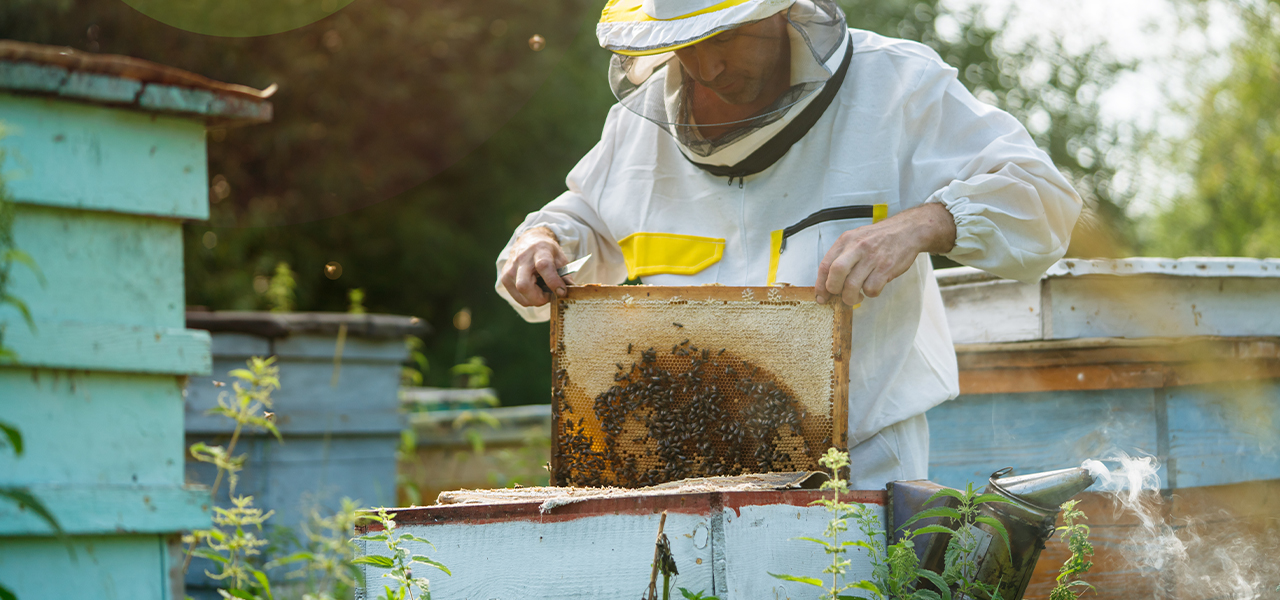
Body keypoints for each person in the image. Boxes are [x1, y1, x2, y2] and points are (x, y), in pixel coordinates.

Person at [495, 0, 1081, 488]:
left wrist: (923, 224)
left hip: (862, 464)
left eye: (723, 34)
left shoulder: (896, 84)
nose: (707, 66)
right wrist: (541, 241)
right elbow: (582, 217)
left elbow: (1044, 203)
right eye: (683, 42)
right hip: (680, 470)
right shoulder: (641, 122)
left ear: (782, 9)